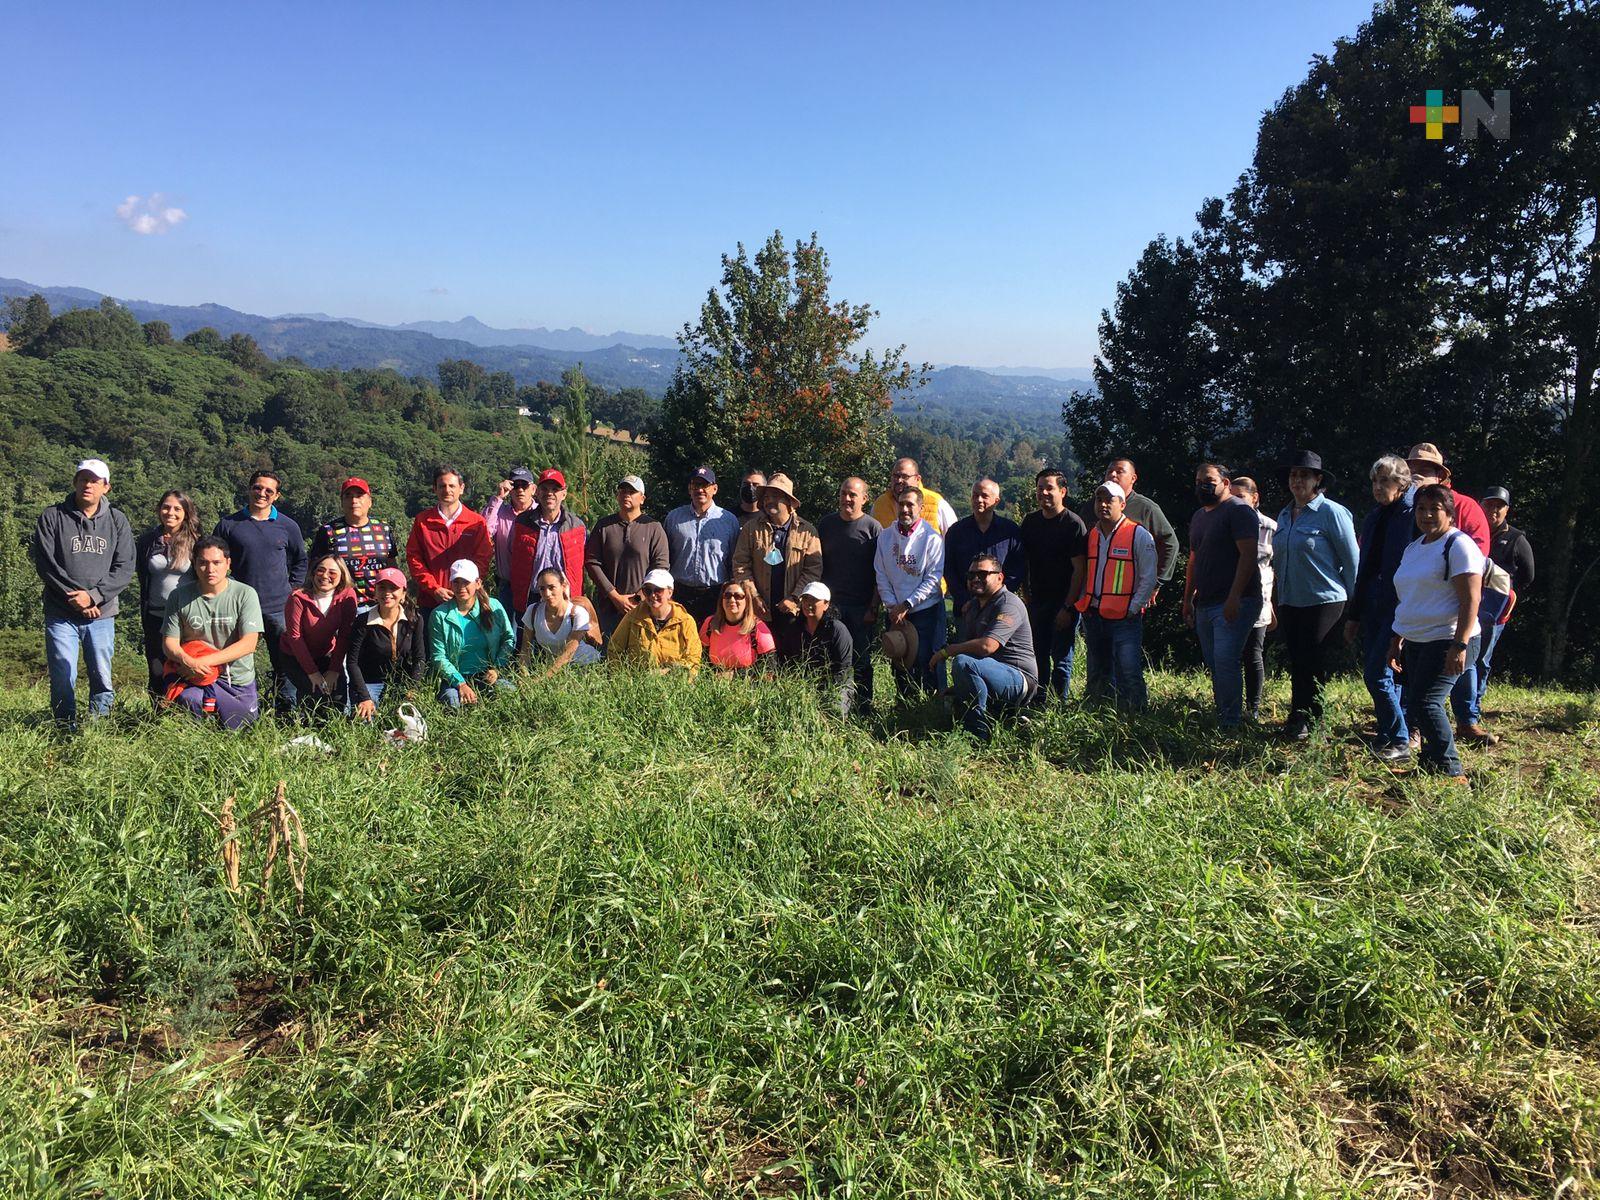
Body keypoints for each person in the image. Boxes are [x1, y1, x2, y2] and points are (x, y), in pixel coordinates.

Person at [1388, 484, 1484, 782]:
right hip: (1416, 639)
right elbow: (1409, 598)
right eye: (1421, 509)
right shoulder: (1414, 548)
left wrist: (1460, 644)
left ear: (1450, 513)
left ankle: (1452, 771)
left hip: (1449, 638)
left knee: (1427, 703)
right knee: (1417, 703)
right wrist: (1397, 640)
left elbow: (1471, 599)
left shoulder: (1458, 545)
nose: (1426, 515)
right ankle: (1429, 765)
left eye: (1435, 509)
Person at [31, 458, 135, 725]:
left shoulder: (117, 520)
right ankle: (65, 726)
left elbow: (124, 567)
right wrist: (77, 598)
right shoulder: (52, 516)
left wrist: (94, 597)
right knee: (62, 673)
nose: (88, 485)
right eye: (83, 479)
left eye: (94, 480)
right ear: (75, 482)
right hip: (61, 613)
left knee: (101, 674)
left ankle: (99, 725)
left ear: (106, 487)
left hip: (102, 613)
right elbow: (45, 563)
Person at [1271, 451, 1359, 740]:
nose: (1297, 481)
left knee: (1313, 659)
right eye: (1294, 475)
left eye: (1304, 475)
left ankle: (1316, 721)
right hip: (1291, 599)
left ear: (1317, 480)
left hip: (1324, 599)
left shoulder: (1332, 512)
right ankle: (1298, 718)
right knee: (1297, 659)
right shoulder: (1284, 514)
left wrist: (1356, 608)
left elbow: (1352, 560)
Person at [214, 469, 306, 714]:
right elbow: (215, 560)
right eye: (257, 487)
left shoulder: (287, 526)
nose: (262, 493)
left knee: (285, 664)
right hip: (239, 608)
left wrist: (294, 590)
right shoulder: (229, 525)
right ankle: (238, 710)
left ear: (276, 496)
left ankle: (286, 714)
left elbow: (300, 561)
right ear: (249, 489)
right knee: (234, 662)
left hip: (279, 607)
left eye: (269, 490)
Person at [1345, 456, 1416, 761]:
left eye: (1385, 480)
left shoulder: (1414, 515)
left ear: (1402, 484)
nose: (1378, 487)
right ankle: (1388, 736)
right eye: (1374, 481)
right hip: (1372, 602)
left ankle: (1400, 739)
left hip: (1399, 605)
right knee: (1387, 675)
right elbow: (1365, 567)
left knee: (1377, 674)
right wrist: (1355, 614)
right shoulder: (1375, 516)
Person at [1184, 462, 1264, 728]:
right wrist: (1187, 599)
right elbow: (1194, 560)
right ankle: (1224, 714)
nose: (1201, 486)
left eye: (1208, 480)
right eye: (1198, 481)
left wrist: (1234, 597)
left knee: (1226, 661)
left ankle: (1230, 723)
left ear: (1226, 483)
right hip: (1205, 602)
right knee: (1215, 663)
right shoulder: (1198, 516)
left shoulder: (1239, 511)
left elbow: (1248, 555)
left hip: (1235, 601)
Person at [931, 554, 1038, 740]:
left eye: (982, 574)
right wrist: (960, 686)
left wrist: (947, 651)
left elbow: (987, 646)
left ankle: (977, 734)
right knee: (957, 686)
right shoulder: (973, 606)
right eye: (971, 575)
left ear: (999, 577)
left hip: (1019, 678)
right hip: (991, 672)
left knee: (963, 663)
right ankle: (1005, 717)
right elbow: (973, 649)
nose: (975, 579)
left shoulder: (1009, 603)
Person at [161, 535, 264, 729]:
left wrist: (201, 662)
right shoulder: (179, 596)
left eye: (216, 562)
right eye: (203, 563)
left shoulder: (245, 594)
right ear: (194, 563)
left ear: (228, 563)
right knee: (191, 700)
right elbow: (169, 643)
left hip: (235, 678)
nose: (210, 569)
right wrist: (188, 662)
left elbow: (249, 643)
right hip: (193, 678)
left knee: (243, 731)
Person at [1075, 481, 1158, 709]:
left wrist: (1134, 607)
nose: (1102, 504)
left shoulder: (1138, 535)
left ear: (1122, 504)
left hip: (1125, 618)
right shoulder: (1091, 535)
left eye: (1108, 500)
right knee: (1097, 669)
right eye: (1099, 499)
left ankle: (1136, 714)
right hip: (1094, 615)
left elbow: (1148, 577)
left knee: (1128, 670)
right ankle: (1098, 710)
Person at [730, 473, 823, 662]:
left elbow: (813, 570)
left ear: (789, 501)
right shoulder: (750, 529)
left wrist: (795, 598)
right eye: (767, 496)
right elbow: (741, 564)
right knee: (761, 663)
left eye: (776, 496)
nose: (769, 501)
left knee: (793, 661)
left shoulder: (807, 531)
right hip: (760, 611)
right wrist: (753, 596)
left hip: (793, 612)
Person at [1464, 487, 1535, 733]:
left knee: (1481, 657)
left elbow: (1528, 574)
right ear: (1480, 505)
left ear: (1507, 509)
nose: (1493, 510)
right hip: (1464, 600)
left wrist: (1506, 592)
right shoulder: (1469, 531)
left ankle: (1473, 708)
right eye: (1489, 504)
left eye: (1499, 506)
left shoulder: (1516, 538)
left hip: (1495, 607)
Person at [1019, 468, 1088, 700]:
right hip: (1037, 600)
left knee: (1061, 658)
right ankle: (1038, 704)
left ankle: (1060, 704)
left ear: (1063, 491)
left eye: (1050, 488)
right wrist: (1026, 594)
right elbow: (1024, 561)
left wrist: (1069, 607)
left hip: (1063, 601)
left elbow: (1080, 569)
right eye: (1040, 488)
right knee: (1037, 655)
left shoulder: (1073, 524)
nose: (1044, 493)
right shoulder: (1030, 522)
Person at [874, 486, 948, 697]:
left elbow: (933, 578)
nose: (905, 509)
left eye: (910, 505)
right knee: (899, 660)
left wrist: (906, 605)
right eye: (901, 504)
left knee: (929, 661)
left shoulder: (932, 539)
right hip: (895, 611)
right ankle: (904, 704)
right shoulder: (885, 537)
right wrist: (891, 606)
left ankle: (933, 706)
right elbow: (881, 574)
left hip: (925, 610)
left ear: (921, 508)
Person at [817, 477, 882, 714]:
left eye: (853, 494)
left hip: (861, 606)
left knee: (861, 660)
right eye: (844, 493)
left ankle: (864, 707)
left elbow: (880, 572)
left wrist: (873, 607)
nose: (847, 498)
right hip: (831, 607)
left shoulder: (873, 529)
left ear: (864, 499)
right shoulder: (826, 525)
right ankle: (832, 705)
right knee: (830, 657)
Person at [508, 468, 594, 636]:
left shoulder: (577, 526)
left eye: (555, 489)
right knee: (524, 649)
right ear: (537, 492)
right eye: (545, 489)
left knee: (562, 651)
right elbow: (514, 556)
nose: (550, 494)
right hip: (530, 598)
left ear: (564, 493)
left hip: (564, 600)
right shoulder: (522, 523)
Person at [135, 490, 201, 703]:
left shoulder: (195, 542)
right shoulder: (147, 541)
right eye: (166, 507)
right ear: (159, 510)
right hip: (155, 616)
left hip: (187, 618)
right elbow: (141, 575)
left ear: (186, 513)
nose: (170, 512)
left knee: (185, 667)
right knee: (156, 670)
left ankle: (186, 713)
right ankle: (158, 717)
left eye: (177, 509)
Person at [586, 474, 670, 638]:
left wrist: (638, 598)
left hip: (646, 605)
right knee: (608, 656)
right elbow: (592, 562)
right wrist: (615, 597)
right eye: (622, 491)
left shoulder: (653, 527)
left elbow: (661, 566)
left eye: (632, 491)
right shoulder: (604, 526)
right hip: (608, 607)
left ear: (642, 498)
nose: (626, 494)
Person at [427, 559, 515, 709]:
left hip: (488, 674)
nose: (461, 587)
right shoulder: (439, 615)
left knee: (509, 694)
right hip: (455, 677)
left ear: (478, 583)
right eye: (456, 582)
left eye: (466, 582)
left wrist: (497, 668)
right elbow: (438, 656)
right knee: (452, 702)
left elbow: (509, 639)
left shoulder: (493, 607)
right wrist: (460, 684)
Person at [1081, 459, 1180, 592]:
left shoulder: (1146, 508)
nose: (1113, 475)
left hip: (1131, 596)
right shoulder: (1093, 507)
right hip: (1092, 593)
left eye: (1119, 472)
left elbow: (1170, 543)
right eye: (1109, 471)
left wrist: (1157, 582)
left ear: (1133, 478)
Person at [280, 553, 360, 716]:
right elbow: (296, 638)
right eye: (321, 570)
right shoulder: (298, 597)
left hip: (325, 652)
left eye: (332, 572)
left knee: (337, 695)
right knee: (313, 693)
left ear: (341, 576)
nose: (325, 576)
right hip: (294, 655)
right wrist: (313, 673)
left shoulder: (347, 596)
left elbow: (345, 635)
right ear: (313, 572)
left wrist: (334, 670)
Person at [406, 465, 493, 615]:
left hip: (467, 602)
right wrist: (434, 589)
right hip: (430, 601)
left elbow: (483, 559)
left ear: (461, 488)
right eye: (442, 486)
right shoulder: (423, 521)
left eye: (452, 486)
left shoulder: (476, 522)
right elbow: (414, 559)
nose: (447, 490)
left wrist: (465, 589)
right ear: (435, 489)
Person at [664, 465, 742, 624]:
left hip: (715, 594)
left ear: (714, 488)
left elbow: (734, 561)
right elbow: (665, 558)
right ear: (689, 489)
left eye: (705, 485)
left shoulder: (728, 520)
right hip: (680, 592)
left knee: (711, 641)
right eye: (695, 485)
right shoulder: (674, 518)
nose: (700, 490)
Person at [346, 567, 425, 721]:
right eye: (382, 588)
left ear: (403, 592)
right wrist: (364, 697)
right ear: (375, 592)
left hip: (402, 684)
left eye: (393, 588)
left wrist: (413, 688)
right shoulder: (362, 622)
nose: (387, 593)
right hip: (369, 683)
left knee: (407, 722)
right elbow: (352, 662)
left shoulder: (414, 620)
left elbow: (419, 657)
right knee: (366, 721)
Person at [309, 477, 397, 610]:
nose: (354, 501)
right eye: (348, 496)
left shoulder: (383, 529)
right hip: (341, 606)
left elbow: (392, 567)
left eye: (359, 495)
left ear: (370, 502)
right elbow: (314, 569)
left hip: (380, 605)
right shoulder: (328, 531)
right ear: (342, 502)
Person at [1230, 477, 1277, 722]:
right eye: (1232, 496)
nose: (1235, 502)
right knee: (1230, 653)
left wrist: (1274, 604)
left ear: (1255, 498)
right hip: (1228, 597)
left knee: (1253, 652)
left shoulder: (1270, 527)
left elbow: (1276, 566)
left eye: (1241, 497)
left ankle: (1254, 707)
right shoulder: (1223, 520)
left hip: (1261, 596)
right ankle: (1231, 706)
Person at [944, 478, 1025, 616]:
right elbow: (949, 569)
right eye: (975, 495)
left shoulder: (1010, 531)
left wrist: (997, 598)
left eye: (984, 496)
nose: (979, 500)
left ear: (996, 501)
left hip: (1000, 608)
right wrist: (965, 600)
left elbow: (1016, 570)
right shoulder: (956, 531)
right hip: (966, 609)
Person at [607, 568, 702, 671]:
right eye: (647, 590)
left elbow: (693, 658)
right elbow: (614, 649)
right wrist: (624, 679)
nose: (652, 595)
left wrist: (676, 675)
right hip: (638, 682)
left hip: (675, 683)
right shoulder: (633, 617)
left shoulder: (685, 621)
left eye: (658, 590)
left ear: (670, 592)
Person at [519, 567, 603, 674]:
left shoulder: (578, 613)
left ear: (563, 587)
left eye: (551, 587)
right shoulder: (533, 611)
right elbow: (525, 650)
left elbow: (568, 654)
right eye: (542, 589)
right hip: (553, 671)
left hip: (586, 667)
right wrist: (524, 675)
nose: (547, 593)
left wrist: (542, 679)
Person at [481, 466, 538, 623]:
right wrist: (498, 498)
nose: (520, 490)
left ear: (533, 489)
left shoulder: (540, 513)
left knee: (533, 636)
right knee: (508, 635)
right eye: (515, 485)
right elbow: (484, 531)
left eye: (524, 485)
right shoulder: (500, 512)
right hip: (507, 586)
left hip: (534, 586)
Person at [796, 582, 856, 716]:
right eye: (805, 599)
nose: (808, 603)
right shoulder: (796, 628)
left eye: (814, 600)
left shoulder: (838, 629)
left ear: (826, 604)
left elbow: (843, 668)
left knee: (833, 711)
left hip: (837, 683)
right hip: (807, 683)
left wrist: (824, 693)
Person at [700, 579, 776, 673]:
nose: (732, 600)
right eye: (727, 595)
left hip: (747, 684)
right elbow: (701, 658)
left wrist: (734, 676)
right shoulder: (710, 623)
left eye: (738, 596)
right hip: (713, 681)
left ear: (747, 601)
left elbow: (769, 670)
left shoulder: (758, 628)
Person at [870, 458, 959, 534]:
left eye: (905, 476)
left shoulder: (936, 503)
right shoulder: (880, 504)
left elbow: (954, 539)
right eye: (896, 476)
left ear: (917, 479)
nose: (899, 480)